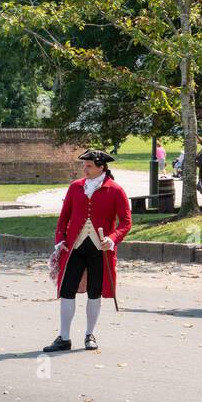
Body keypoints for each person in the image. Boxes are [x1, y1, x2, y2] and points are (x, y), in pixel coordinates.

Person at [43, 149, 131, 353]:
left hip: (100, 250)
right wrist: (60, 240)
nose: (85, 169)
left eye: (89, 165)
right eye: (84, 165)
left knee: (95, 292)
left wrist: (113, 238)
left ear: (101, 167)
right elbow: (64, 217)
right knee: (67, 290)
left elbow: (126, 222)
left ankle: (89, 334)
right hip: (74, 246)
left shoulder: (116, 190)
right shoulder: (75, 187)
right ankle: (64, 337)